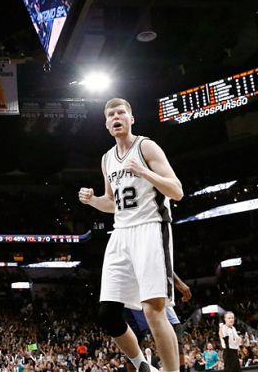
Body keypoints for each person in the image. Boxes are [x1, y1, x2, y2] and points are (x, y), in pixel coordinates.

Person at [78, 98, 184, 372]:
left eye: (121, 112)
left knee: (153, 310)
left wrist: (144, 172)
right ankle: (142, 365)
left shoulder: (146, 146)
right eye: (110, 114)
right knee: (108, 314)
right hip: (121, 232)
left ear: (131, 119)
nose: (116, 117)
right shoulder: (106, 159)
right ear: (106, 124)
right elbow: (112, 203)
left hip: (150, 227)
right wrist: (92, 200)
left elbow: (176, 190)